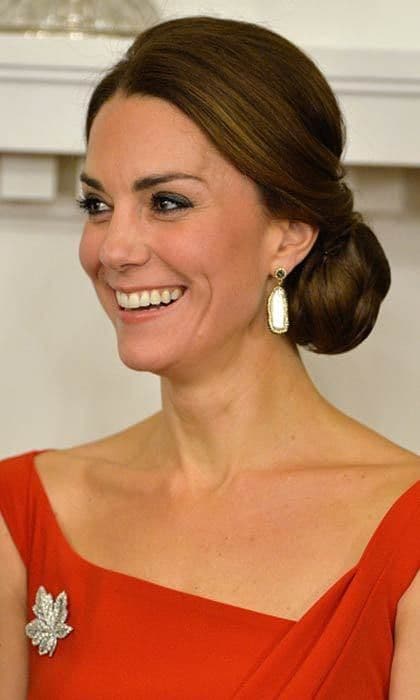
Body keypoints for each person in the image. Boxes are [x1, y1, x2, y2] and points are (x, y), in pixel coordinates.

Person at [0, 14, 419, 699]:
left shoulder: (406, 537)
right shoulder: (21, 517)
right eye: (97, 204)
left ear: (287, 234)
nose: (113, 248)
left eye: (166, 202)